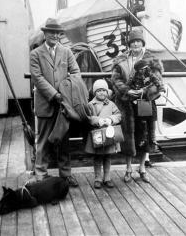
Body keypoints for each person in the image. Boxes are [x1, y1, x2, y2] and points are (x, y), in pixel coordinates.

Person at [30, 18, 80, 186]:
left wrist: (65, 93)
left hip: (63, 105)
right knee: (43, 141)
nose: (55, 35)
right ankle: (41, 175)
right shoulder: (35, 54)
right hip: (45, 104)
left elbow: (76, 73)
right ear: (45, 33)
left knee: (64, 141)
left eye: (58, 33)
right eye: (51, 32)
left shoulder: (67, 52)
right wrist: (54, 94)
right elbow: (37, 78)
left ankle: (65, 174)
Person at [111, 27, 164, 183]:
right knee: (128, 136)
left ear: (142, 43)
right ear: (129, 44)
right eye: (132, 42)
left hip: (145, 103)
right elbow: (115, 79)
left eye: (138, 42)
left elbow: (157, 82)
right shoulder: (121, 59)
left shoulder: (151, 60)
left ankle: (142, 168)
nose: (135, 45)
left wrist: (143, 92)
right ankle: (128, 169)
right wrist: (127, 91)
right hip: (127, 103)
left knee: (144, 135)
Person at [85, 79, 122, 189]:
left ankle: (107, 177)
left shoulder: (111, 104)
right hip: (98, 135)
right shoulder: (91, 104)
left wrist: (111, 119)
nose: (102, 93)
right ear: (95, 92)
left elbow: (118, 115)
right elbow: (88, 117)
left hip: (109, 134)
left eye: (104, 90)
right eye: (99, 90)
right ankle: (97, 178)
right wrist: (98, 120)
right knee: (98, 157)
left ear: (107, 92)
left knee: (108, 156)